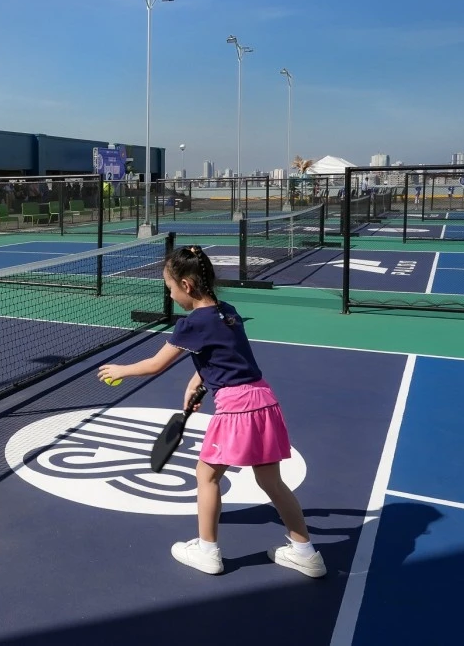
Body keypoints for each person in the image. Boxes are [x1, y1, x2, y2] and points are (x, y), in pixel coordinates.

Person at [97, 246, 326, 578]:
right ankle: (306, 553)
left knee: (207, 477)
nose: (171, 293)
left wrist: (122, 369)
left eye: (170, 287)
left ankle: (207, 552)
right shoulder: (228, 311)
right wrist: (198, 380)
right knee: (272, 481)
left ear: (187, 286)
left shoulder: (191, 323)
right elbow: (226, 355)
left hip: (236, 410)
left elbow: (155, 365)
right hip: (265, 401)